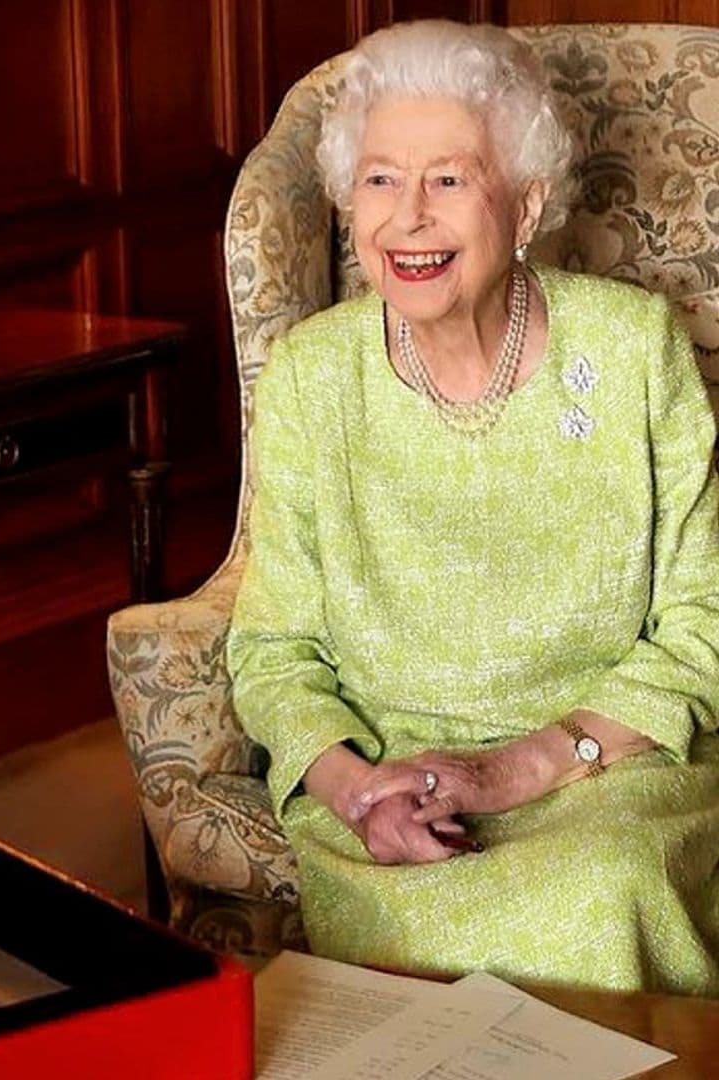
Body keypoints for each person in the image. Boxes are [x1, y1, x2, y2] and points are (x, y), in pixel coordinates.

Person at [226, 20, 719, 996]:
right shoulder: (312, 377)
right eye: (379, 180)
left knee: (601, 893)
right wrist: (356, 788)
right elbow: (272, 650)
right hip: (387, 786)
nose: (408, 218)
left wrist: (518, 768)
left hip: (601, 770)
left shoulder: (631, 351)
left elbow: (703, 626)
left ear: (527, 203)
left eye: (448, 179)